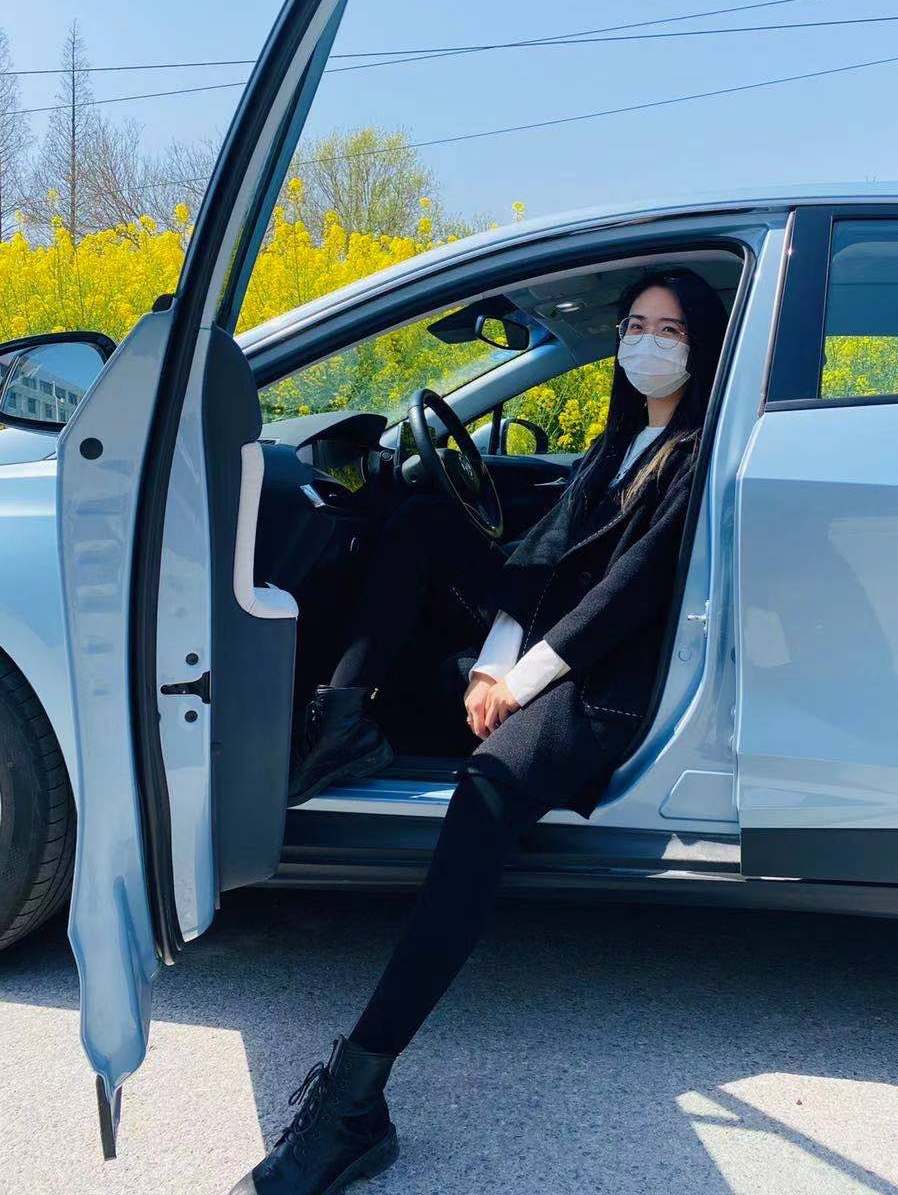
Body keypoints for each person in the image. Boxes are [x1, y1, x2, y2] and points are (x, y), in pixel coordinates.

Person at [228, 268, 727, 1194]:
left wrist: (521, 680)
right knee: (419, 519)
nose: (646, 343)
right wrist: (492, 664)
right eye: (636, 325)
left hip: (606, 684)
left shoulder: (693, 453)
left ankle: (353, 1102)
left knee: (485, 798)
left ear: (701, 348)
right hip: (547, 646)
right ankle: (343, 722)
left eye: (672, 330)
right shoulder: (615, 442)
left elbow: (623, 599)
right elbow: (541, 566)